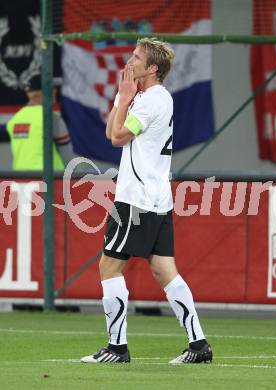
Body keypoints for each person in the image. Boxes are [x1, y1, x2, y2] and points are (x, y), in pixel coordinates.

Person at [81, 38, 213, 364]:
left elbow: (115, 137)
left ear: (152, 68)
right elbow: (113, 130)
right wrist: (122, 100)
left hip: (136, 199)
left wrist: (123, 99)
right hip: (156, 198)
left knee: (109, 265)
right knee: (164, 269)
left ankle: (117, 348)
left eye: (137, 57)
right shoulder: (151, 97)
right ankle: (199, 345)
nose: (130, 60)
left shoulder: (151, 99)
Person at [5, 74, 72, 170]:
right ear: (44, 92)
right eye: (52, 88)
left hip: (20, 179)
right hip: (50, 179)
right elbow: (68, 158)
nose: (56, 91)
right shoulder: (52, 118)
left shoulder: (14, 120)